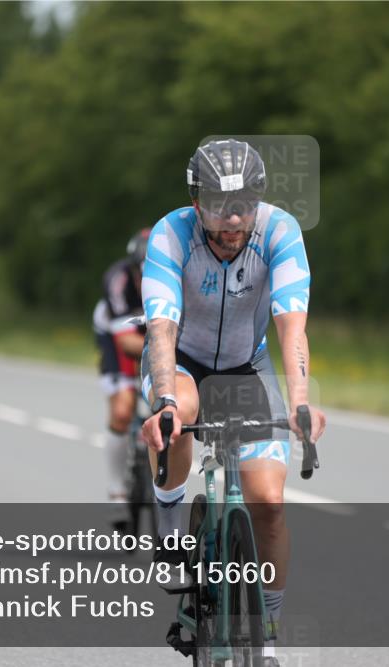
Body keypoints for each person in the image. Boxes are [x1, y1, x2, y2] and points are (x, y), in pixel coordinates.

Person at [139, 139, 326, 662]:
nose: (232, 220)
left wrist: (301, 402)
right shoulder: (171, 234)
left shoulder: (280, 231)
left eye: (243, 205)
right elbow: (161, 326)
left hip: (249, 364)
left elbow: (292, 328)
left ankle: (266, 624)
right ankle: (173, 531)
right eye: (219, 208)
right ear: (196, 202)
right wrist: (165, 404)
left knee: (267, 502)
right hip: (182, 361)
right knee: (180, 414)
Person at [93, 229, 150, 513]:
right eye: (142, 275)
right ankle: (117, 489)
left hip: (152, 335)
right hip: (117, 338)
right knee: (122, 410)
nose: (146, 283)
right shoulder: (118, 280)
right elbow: (127, 342)